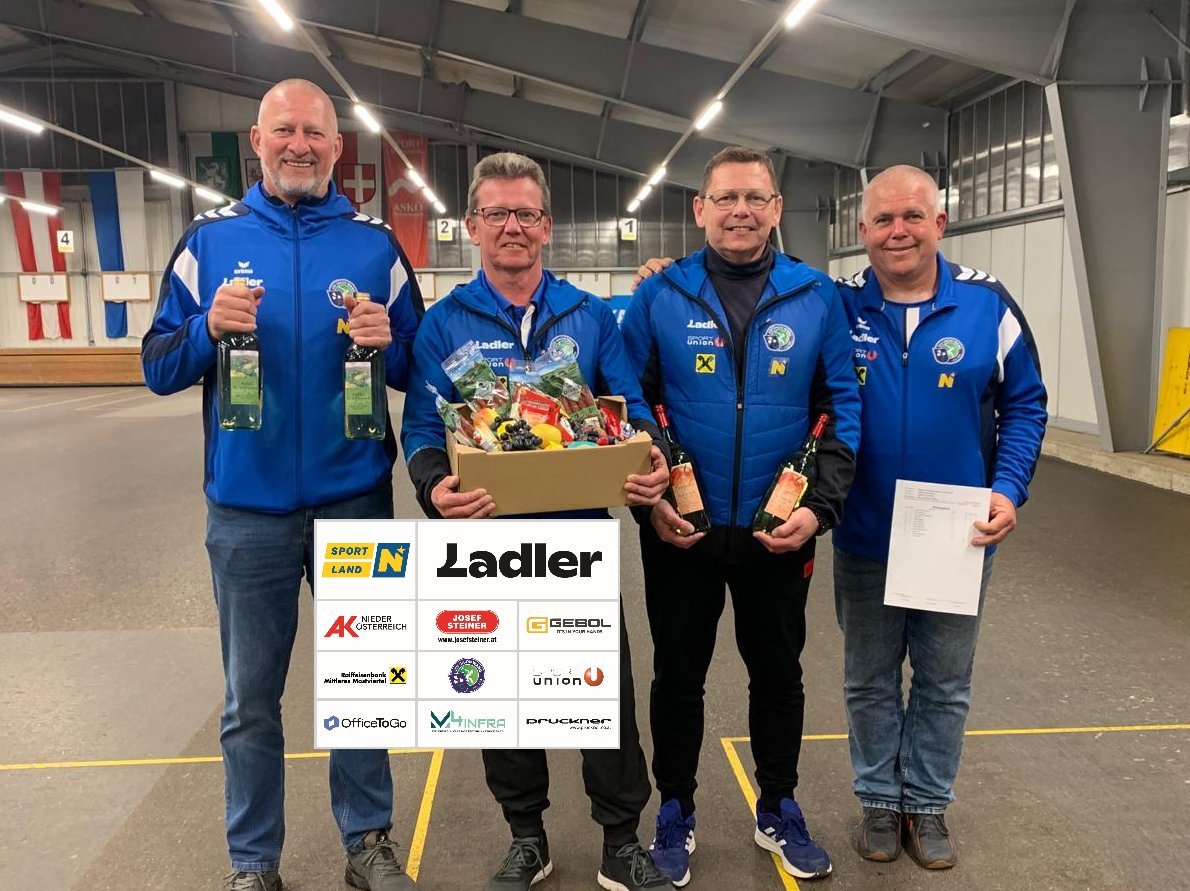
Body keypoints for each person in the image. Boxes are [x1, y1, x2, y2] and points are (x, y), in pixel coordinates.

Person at [142, 79, 424, 891]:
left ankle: (367, 841)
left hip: (356, 501)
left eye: (315, 132)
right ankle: (253, 861)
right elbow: (158, 363)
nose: (300, 144)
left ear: (337, 147)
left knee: (363, 687)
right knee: (249, 701)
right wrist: (206, 328)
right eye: (285, 130)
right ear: (257, 140)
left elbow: (420, 366)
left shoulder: (376, 246)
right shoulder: (207, 241)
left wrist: (390, 344)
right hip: (247, 512)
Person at [400, 152, 676, 891]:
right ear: (472, 226)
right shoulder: (443, 323)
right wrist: (433, 488)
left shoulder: (589, 315)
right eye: (496, 213)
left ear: (547, 226)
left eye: (525, 213)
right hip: (489, 537)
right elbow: (422, 429)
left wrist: (650, 454)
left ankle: (621, 841)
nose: (512, 227)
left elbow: (628, 406)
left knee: (601, 692)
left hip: (579, 534)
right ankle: (527, 837)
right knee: (503, 697)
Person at [621, 146, 862, 885]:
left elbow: (841, 407)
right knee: (678, 676)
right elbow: (628, 401)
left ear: (777, 208)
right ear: (700, 209)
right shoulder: (660, 295)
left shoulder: (816, 295)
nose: (740, 211)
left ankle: (778, 805)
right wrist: (653, 503)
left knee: (779, 674)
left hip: (776, 530)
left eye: (756, 198)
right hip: (682, 531)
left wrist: (818, 511)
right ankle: (675, 808)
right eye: (725, 198)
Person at [832, 165, 1047, 869]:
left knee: (944, 681)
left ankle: (925, 803)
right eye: (883, 219)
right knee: (868, 678)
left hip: (957, 536)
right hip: (865, 532)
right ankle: (878, 800)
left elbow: (1026, 404)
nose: (898, 231)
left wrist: (1007, 490)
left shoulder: (989, 305)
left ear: (940, 223)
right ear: (862, 230)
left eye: (912, 217)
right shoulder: (838, 305)